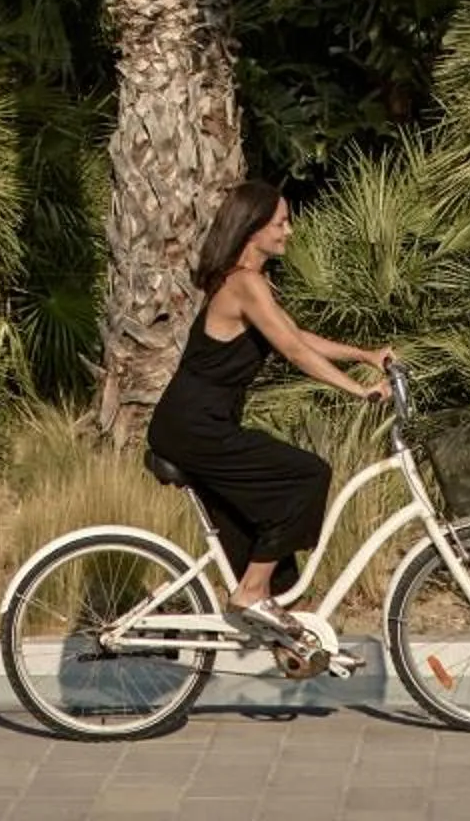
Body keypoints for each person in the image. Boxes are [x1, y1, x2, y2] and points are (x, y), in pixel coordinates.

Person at [145, 180, 394, 648]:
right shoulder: (243, 283)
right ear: (253, 227)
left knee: (254, 527)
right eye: (281, 222)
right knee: (306, 476)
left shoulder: (247, 282)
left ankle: (260, 616)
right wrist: (358, 392)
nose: (289, 231)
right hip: (195, 428)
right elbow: (295, 352)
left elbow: (295, 334)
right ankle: (251, 592)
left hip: (201, 426)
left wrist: (365, 355)